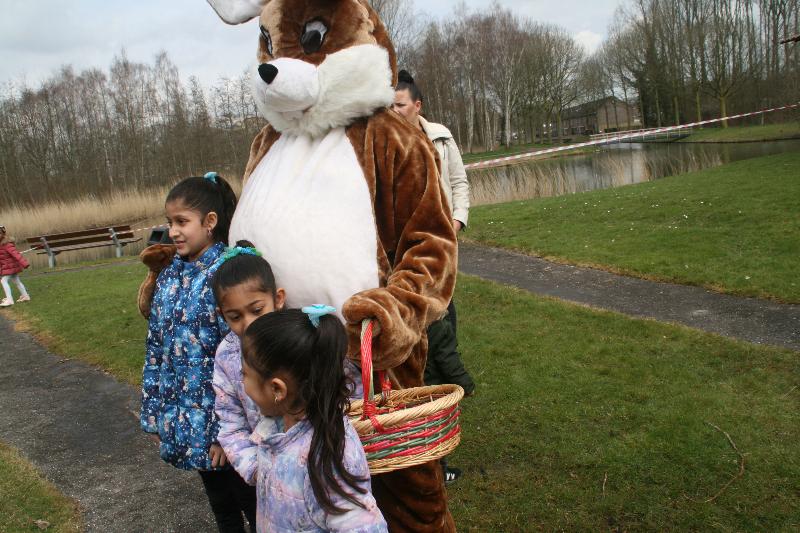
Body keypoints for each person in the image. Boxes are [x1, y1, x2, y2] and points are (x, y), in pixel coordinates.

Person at [140, 172, 248, 533]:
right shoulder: (170, 276)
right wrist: (154, 411)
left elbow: (241, 360)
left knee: (253, 503)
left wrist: (227, 432)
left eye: (182, 222)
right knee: (221, 507)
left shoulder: (227, 274)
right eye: (170, 222)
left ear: (210, 222)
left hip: (226, 425)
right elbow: (156, 348)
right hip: (188, 417)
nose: (173, 231)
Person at [393, 70, 473, 483]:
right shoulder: (383, 145)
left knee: (445, 321)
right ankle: (426, 443)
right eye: (389, 105)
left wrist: (456, 223)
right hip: (404, 259)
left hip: (442, 252)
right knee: (419, 339)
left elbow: (459, 183)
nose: (394, 111)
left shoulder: (440, 137)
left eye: (400, 104)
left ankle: (449, 387)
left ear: (417, 105)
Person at [241, 307, 388, 533]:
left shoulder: (328, 456)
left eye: (245, 375)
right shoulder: (277, 425)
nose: (242, 384)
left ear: (277, 389)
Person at [210, 241, 287, 528]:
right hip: (264, 478)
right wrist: (254, 469)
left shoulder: (298, 337)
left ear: (277, 299)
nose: (249, 323)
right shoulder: (227, 356)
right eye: (235, 317)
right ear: (223, 315)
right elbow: (229, 420)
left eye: (257, 310)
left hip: (313, 468)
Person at [0, 225, 31, 307]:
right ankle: (25, 296)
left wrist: (25, 263)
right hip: (10, 268)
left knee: (3, 281)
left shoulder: (7, 244)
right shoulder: (1, 244)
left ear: (3, 234)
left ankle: (9, 300)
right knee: (16, 281)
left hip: (11, 267)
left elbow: (16, 254)